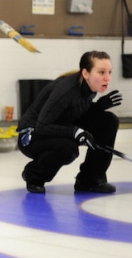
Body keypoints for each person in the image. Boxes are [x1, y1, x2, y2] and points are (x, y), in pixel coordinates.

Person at [17, 51, 122, 194]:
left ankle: (90, 179)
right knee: (69, 148)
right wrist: (75, 132)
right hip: (32, 135)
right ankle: (34, 175)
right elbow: (42, 126)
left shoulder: (90, 87)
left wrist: (98, 107)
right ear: (86, 73)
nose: (107, 78)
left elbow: (73, 113)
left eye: (109, 72)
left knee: (108, 121)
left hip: (58, 126)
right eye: (101, 72)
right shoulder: (66, 91)